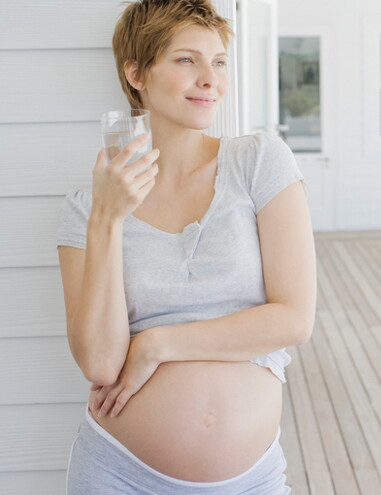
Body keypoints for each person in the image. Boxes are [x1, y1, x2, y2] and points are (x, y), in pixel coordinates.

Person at [56, 0, 317, 493]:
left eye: (218, 62)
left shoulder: (259, 162)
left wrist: (156, 345)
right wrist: (107, 219)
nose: (210, 79)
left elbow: (294, 320)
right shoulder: (87, 207)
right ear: (136, 73)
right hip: (117, 474)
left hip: (250, 481)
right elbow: (100, 364)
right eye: (186, 60)